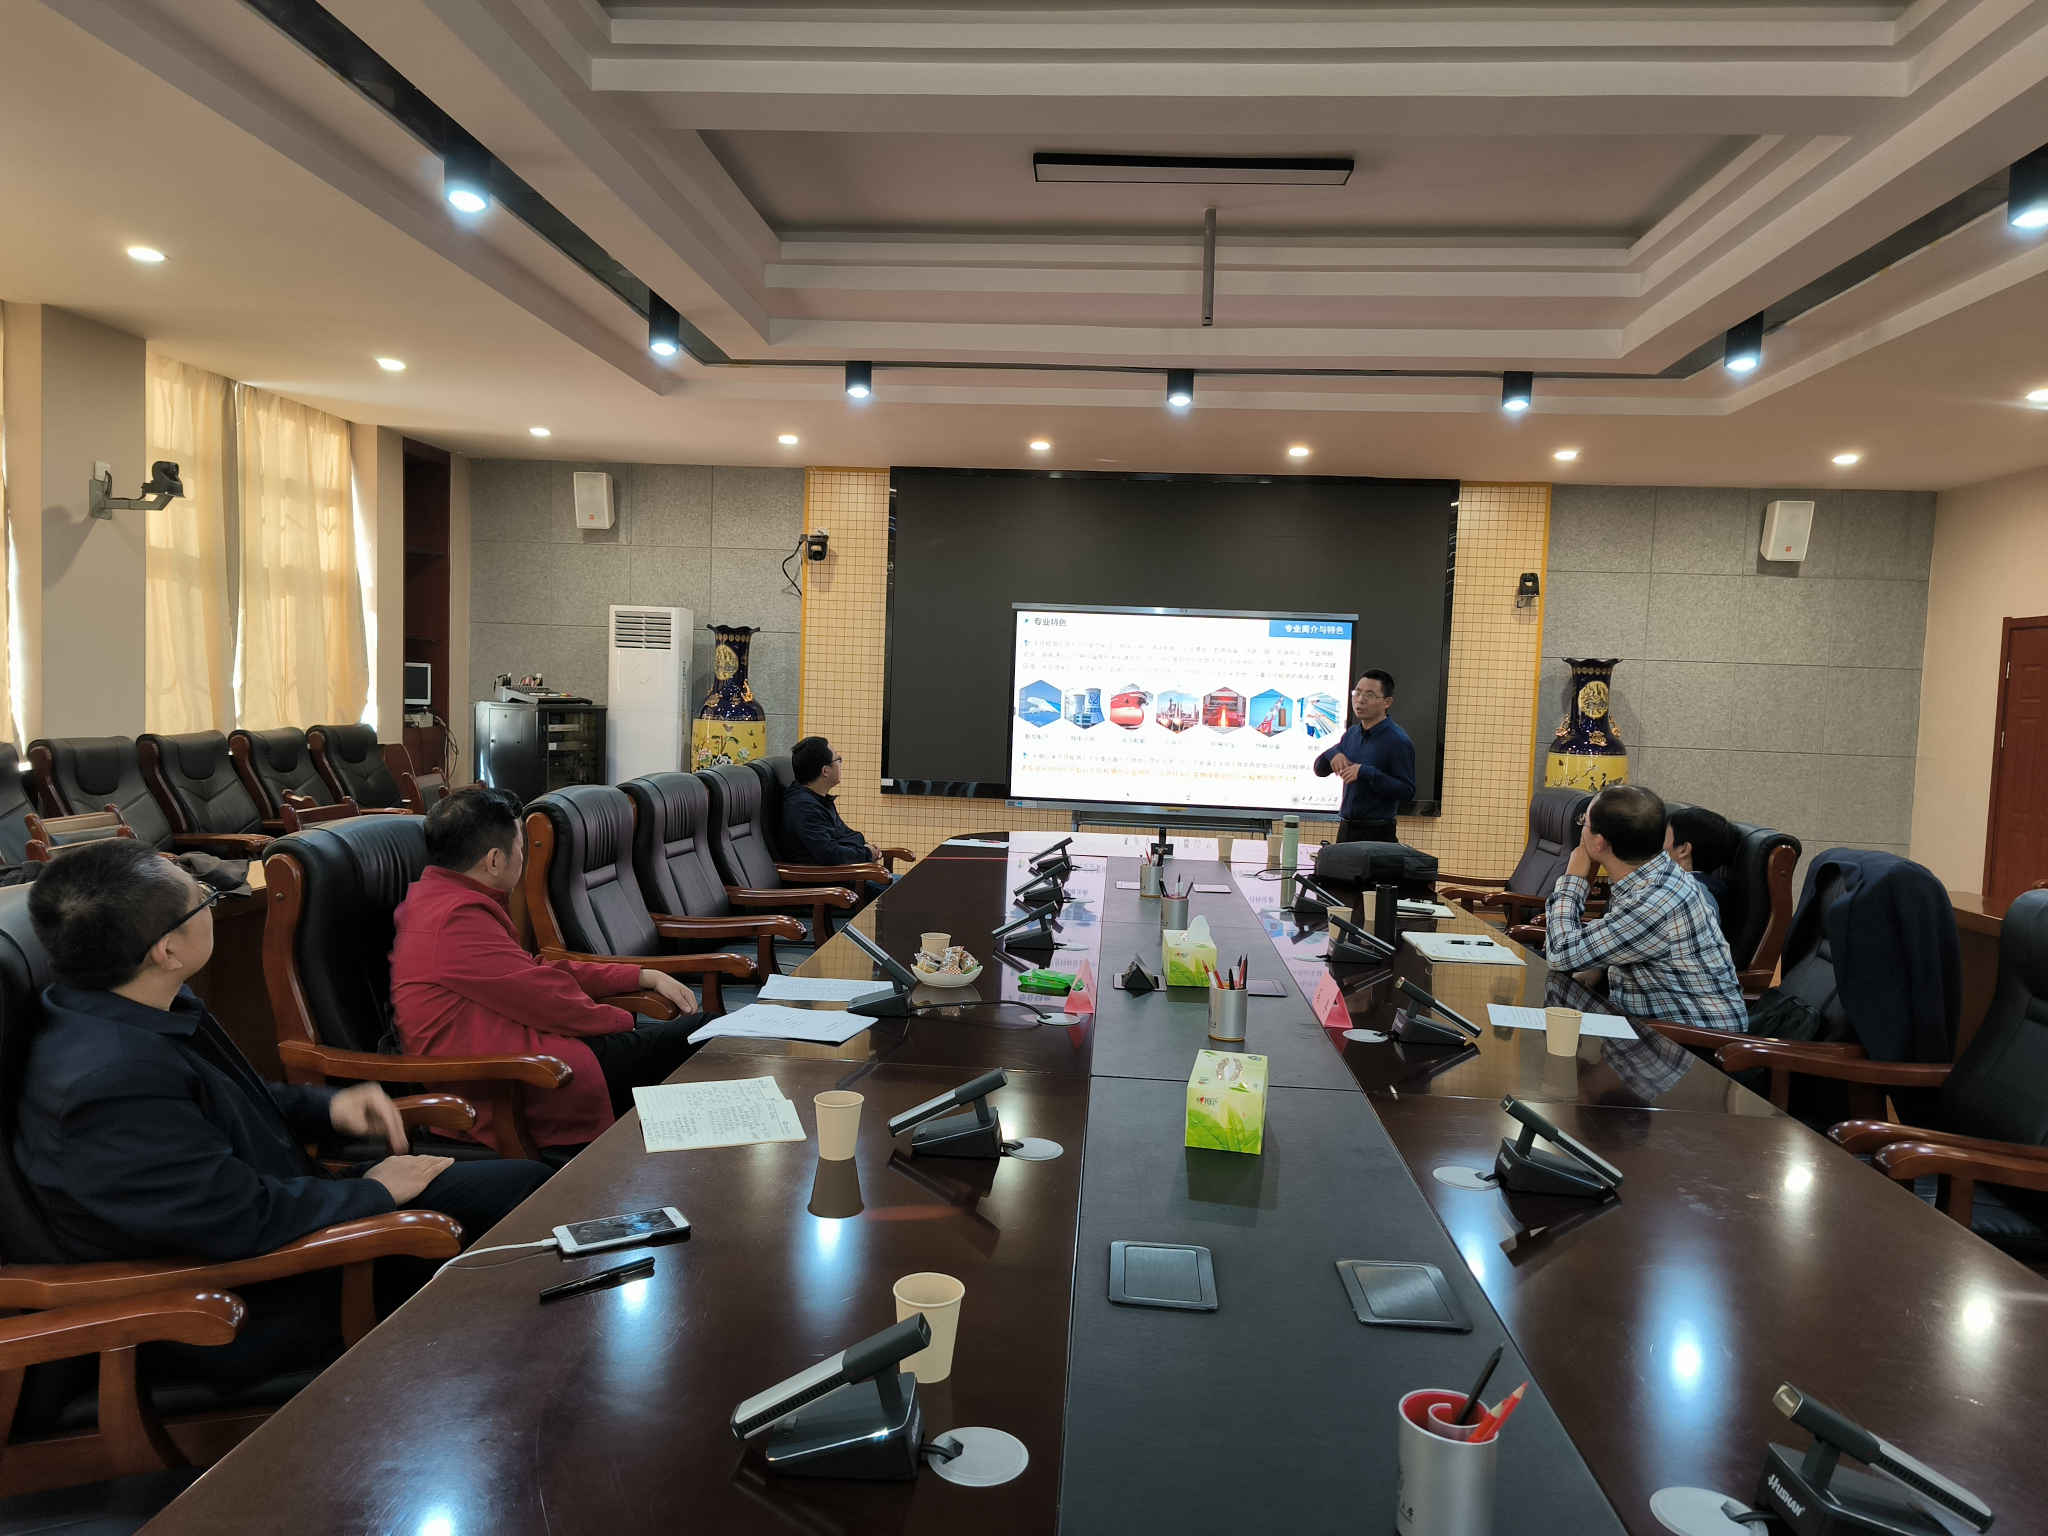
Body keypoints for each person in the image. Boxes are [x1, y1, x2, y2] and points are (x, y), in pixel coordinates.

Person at [13, 838, 553, 1392]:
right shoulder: (112, 1081)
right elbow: (235, 1220)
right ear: (167, 950)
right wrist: (374, 1193)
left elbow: (222, 1103)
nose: (211, 903)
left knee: (526, 1190)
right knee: (518, 1238)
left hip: (279, 1217)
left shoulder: (132, 1005)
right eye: (202, 899)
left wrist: (331, 1108)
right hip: (236, 1305)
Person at [390, 787, 701, 1158]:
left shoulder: (442, 899)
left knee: (692, 1043)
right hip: (518, 1078)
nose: (523, 855)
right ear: (494, 860)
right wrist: (623, 1021)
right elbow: (547, 999)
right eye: (520, 844)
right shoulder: (454, 919)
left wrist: (640, 976)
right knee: (705, 1034)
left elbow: (529, 971)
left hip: (529, 1057)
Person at [1544, 784, 1749, 1033]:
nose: (1581, 829)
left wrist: (1574, 879)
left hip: (1694, 1044)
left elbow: (1560, 952)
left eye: (1583, 822)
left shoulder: (1655, 902)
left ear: (1599, 843)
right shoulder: (1657, 874)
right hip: (1655, 1027)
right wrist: (1598, 964)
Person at [1311, 670, 1416, 843]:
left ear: (1387, 702)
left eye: (1369, 695)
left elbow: (1407, 791)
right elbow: (1319, 770)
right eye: (1357, 693)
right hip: (1345, 830)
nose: (1360, 700)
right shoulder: (1352, 734)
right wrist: (1333, 754)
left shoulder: (1398, 740)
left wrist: (1366, 773)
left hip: (1376, 833)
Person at [782, 737, 891, 897]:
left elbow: (844, 835)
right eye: (837, 759)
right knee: (912, 894)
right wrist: (866, 854)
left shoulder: (817, 799)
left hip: (845, 876)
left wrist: (866, 848)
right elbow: (829, 854)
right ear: (825, 771)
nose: (840, 763)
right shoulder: (803, 806)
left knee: (914, 888)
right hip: (830, 886)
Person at [1665, 804, 1740, 921]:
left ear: (1684, 850)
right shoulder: (1701, 888)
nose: (1654, 842)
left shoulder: (1688, 895)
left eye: (1662, 837)